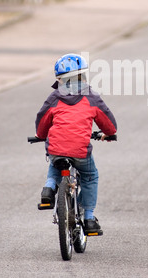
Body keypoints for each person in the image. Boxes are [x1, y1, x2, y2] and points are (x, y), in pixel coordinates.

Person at [35, 53, 117, 235]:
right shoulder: (91, 97)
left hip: (56, 149)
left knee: (55, 161)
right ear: (83, 76)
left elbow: (42, 120)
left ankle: (48, 190)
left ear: (60, 80)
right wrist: (109, 134)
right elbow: (109, 123)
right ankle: (88, 219)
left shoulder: (54, 97)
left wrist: (40, 135)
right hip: (80, 151)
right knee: (90, 176)